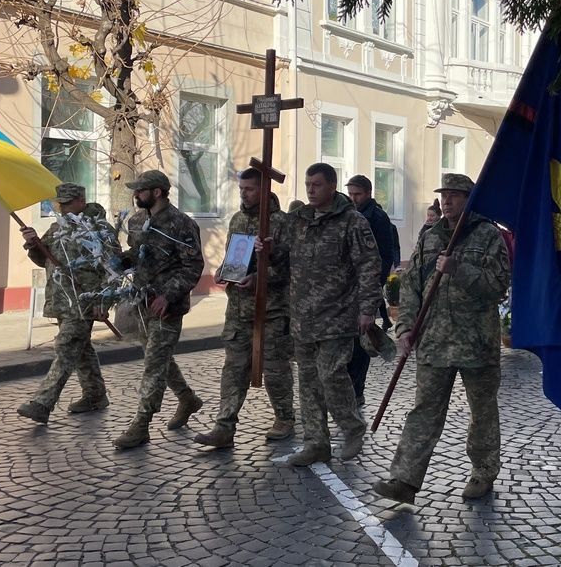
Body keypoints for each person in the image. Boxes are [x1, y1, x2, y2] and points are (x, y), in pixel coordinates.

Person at [372, 173, 510, 504]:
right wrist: (404, 328)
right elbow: (410, 288)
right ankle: (405, 480)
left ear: (469, 199)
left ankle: (483, 472)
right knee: (424, 411)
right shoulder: (431, 237)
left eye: (454, 195)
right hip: (434, 341)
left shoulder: (489, 236)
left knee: (482, 411)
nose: (446, 200)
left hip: (477, 343)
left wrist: (459, 268)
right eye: (443, 194)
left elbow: (498, 286)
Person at [283, 163, 382, 466]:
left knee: (331, 375)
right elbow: (282, 256)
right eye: (307, 184)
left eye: (316, 185)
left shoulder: (352, 222)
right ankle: (316, 442)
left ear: (332, 186)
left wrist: (367, 309)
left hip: (338, 315)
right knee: (309, 381)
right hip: (303, 316)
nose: (310, 190)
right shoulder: (299, 221)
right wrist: (266, 248)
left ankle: (352, 427)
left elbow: (369, 266)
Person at [194, 168, 295, 449]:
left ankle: (285, 418)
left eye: (249, 189)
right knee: (234, 369)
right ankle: (224, 427)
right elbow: (234, 256)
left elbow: (291, 268)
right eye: (241, 188)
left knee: (275, 368)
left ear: (264, 190)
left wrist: (261, 278)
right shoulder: (237, 219)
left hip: (272, 310)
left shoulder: (282, 223)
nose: (243, 193)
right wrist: (224, 272)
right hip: (238, 309)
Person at [113, 170, 205, 449]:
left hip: (168, 307)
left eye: (141, 190)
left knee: (154, 365)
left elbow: (193, 266)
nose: (136, 195)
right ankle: (188, 399)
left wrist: (168, 295)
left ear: (156, 192)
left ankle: (141, 424)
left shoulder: (182, 224)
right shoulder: (138, 220)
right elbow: (136, 256)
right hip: (142, 303)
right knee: (159, 358)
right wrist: (119, 262)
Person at [16, 183, 119, 424]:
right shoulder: (57, 228)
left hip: (85, 300)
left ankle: (43, 403)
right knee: (80, 349)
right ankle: (95, 395)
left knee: (65, 346)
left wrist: (104, 299)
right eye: (59, 203)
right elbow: (44, 260)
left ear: (81, 201)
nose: (61, 207)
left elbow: (113, 266)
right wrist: (33, 243)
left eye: (66, 203)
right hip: (63, 300)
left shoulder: (100, 229)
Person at [345, 174, 400, 402]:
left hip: (365, 290)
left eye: (357, 194)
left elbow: (383, 257)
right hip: (346, 291)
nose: (353, 198)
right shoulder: (348, 216)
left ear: (368, 193)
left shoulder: (377, 218)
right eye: (350, 194)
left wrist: (373, 290)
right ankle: (347, 389)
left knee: (361, 345)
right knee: (347, 342)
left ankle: (357, 390)